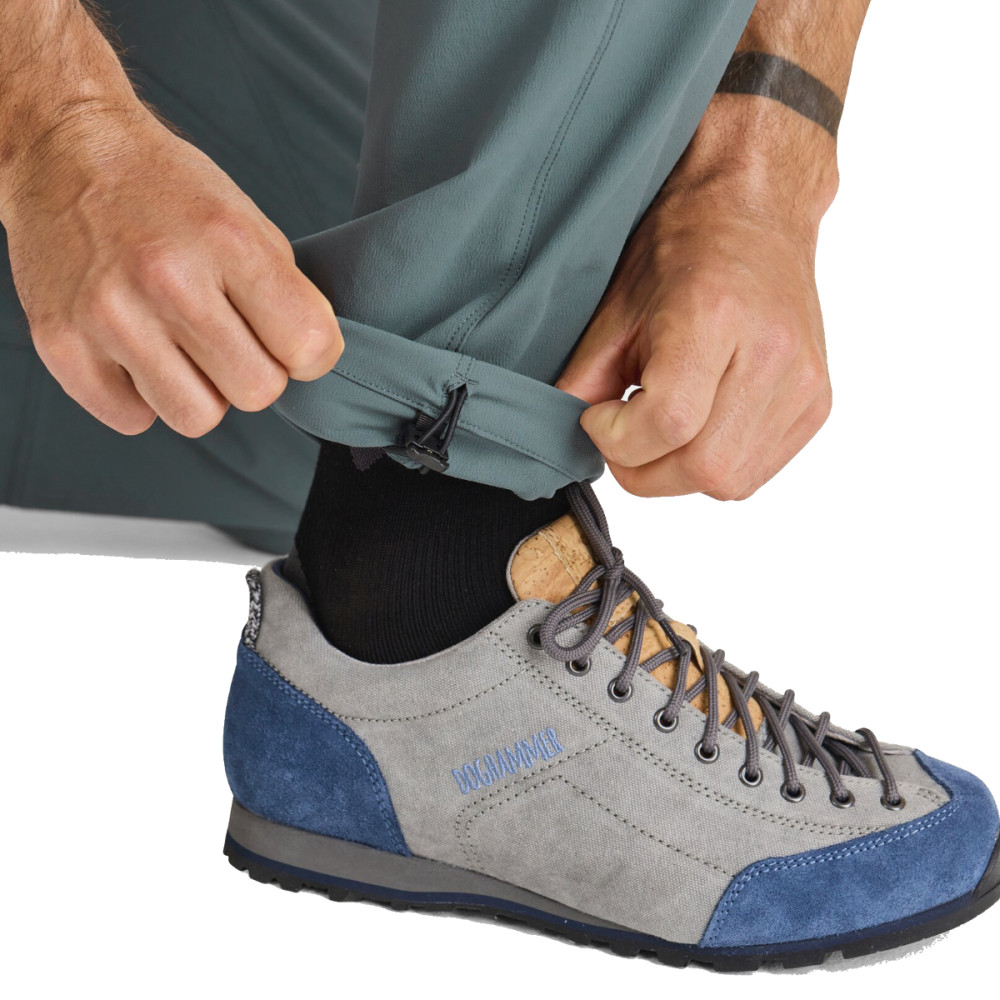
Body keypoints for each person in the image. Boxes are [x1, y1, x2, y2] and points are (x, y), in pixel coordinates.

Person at [1, 0, 997, 970]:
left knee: (350, 314)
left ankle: (385, 625)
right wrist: (54, 130)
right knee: (421, 341)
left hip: (139, 368)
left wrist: (759, 165)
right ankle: (444, 584)